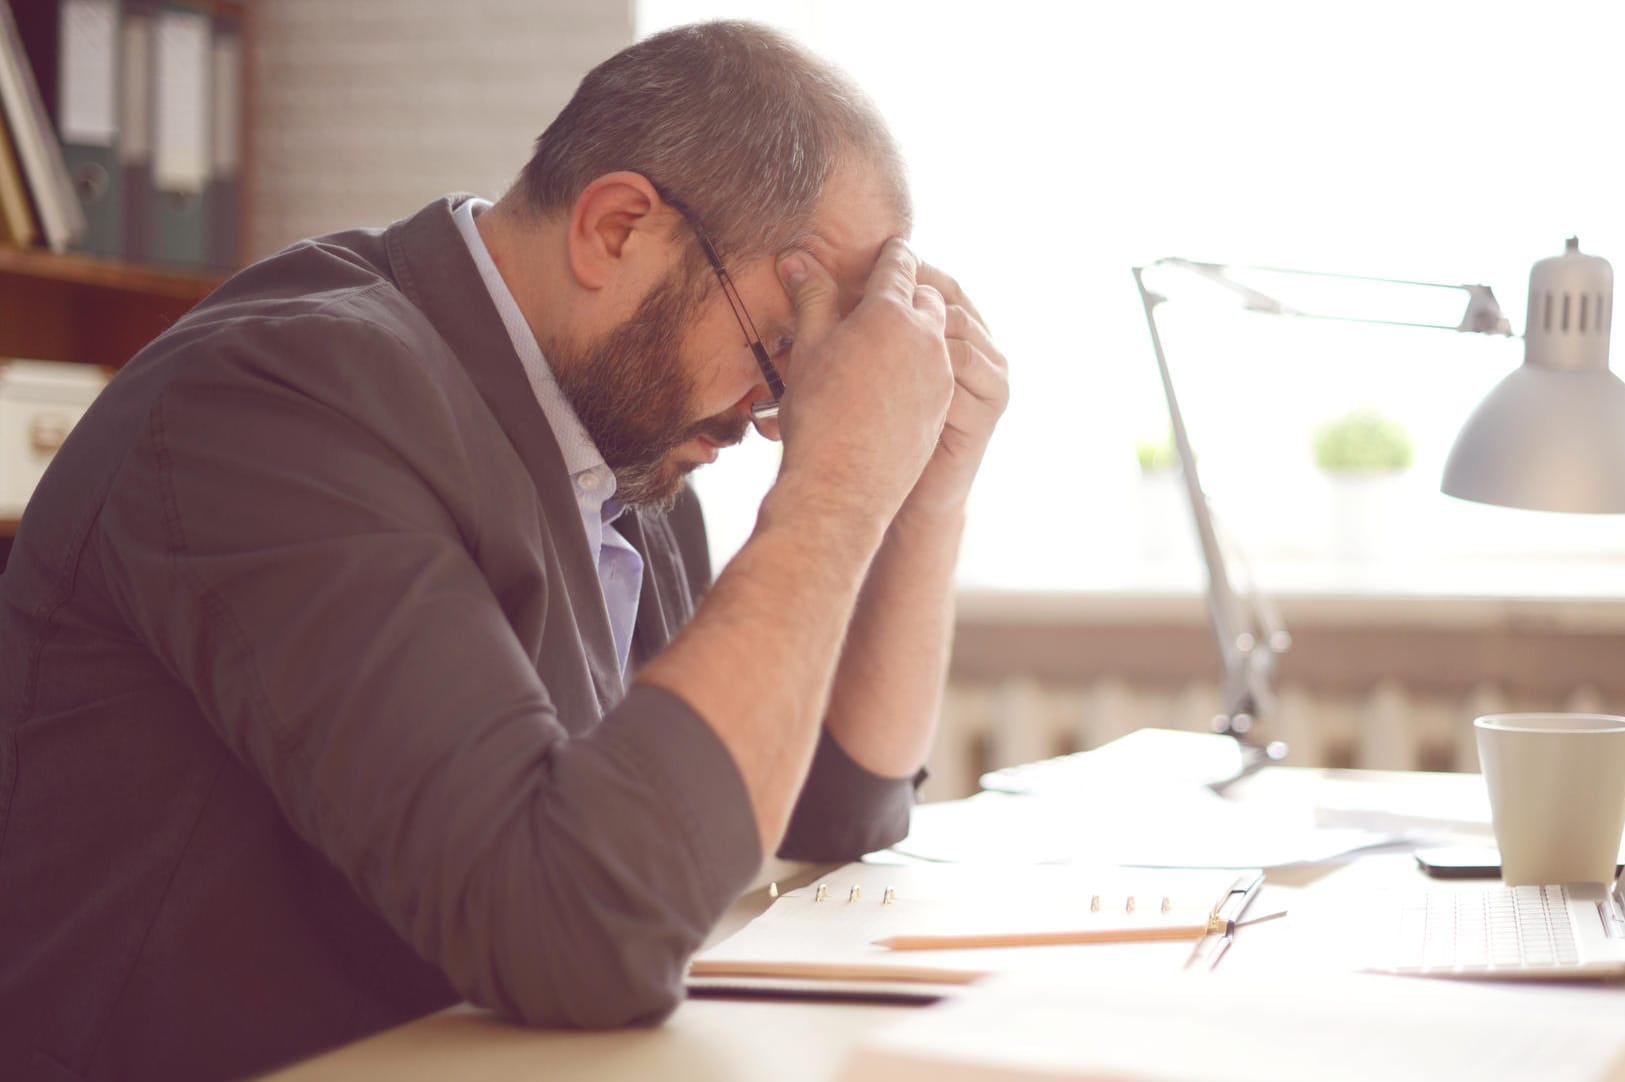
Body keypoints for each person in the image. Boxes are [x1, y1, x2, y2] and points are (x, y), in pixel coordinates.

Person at [0, 20, 1007, 1080]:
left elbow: (826, 812)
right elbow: (578, 928)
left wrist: (929, 491)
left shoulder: (629, 449)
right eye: (783, 347)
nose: (780, 416)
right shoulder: (281, 400)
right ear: (616, 228)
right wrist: (836, 488)